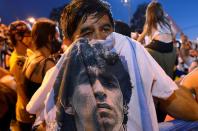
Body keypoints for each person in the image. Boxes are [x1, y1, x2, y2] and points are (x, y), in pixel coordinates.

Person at [28, 0, 198, 130]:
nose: (100, 38)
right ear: (69, 42)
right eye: (87, 32)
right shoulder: (57, 78)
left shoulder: (132, 54)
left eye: (105, 29)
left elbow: (170, 98)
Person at [22, 18, 62, 130]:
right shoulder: (47, 64)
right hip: (43, 123)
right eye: (58, 36)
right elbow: (56, 101)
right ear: (50, 38)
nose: (60, 40)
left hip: (33, 119)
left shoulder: (30, 58)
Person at [137, 2, 177, 79]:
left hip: (158, 45)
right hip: (170, 47)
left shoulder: (150, 23)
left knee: (141, 50)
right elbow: (174, 34)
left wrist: (136, 42)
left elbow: (140, 39)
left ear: (149, 13)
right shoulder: (166, 23)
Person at [8, 20, 34, 131]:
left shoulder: (28, 52)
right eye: (29, 33)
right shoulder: (17, 60)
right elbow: (21, 88)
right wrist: (31, 109)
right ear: (18, 37)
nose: (32, 37)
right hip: (26, 114)